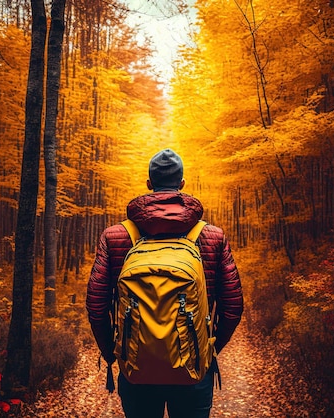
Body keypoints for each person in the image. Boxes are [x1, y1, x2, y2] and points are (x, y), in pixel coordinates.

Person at [86, 148, 244, 418]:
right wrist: (208, 350)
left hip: (136, 369)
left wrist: (114, 352)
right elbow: (233, 307)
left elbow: (96, 306)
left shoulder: (116, 236)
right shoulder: (212, 236)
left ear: (149, 185)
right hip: (194, 371)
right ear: (182, 185)